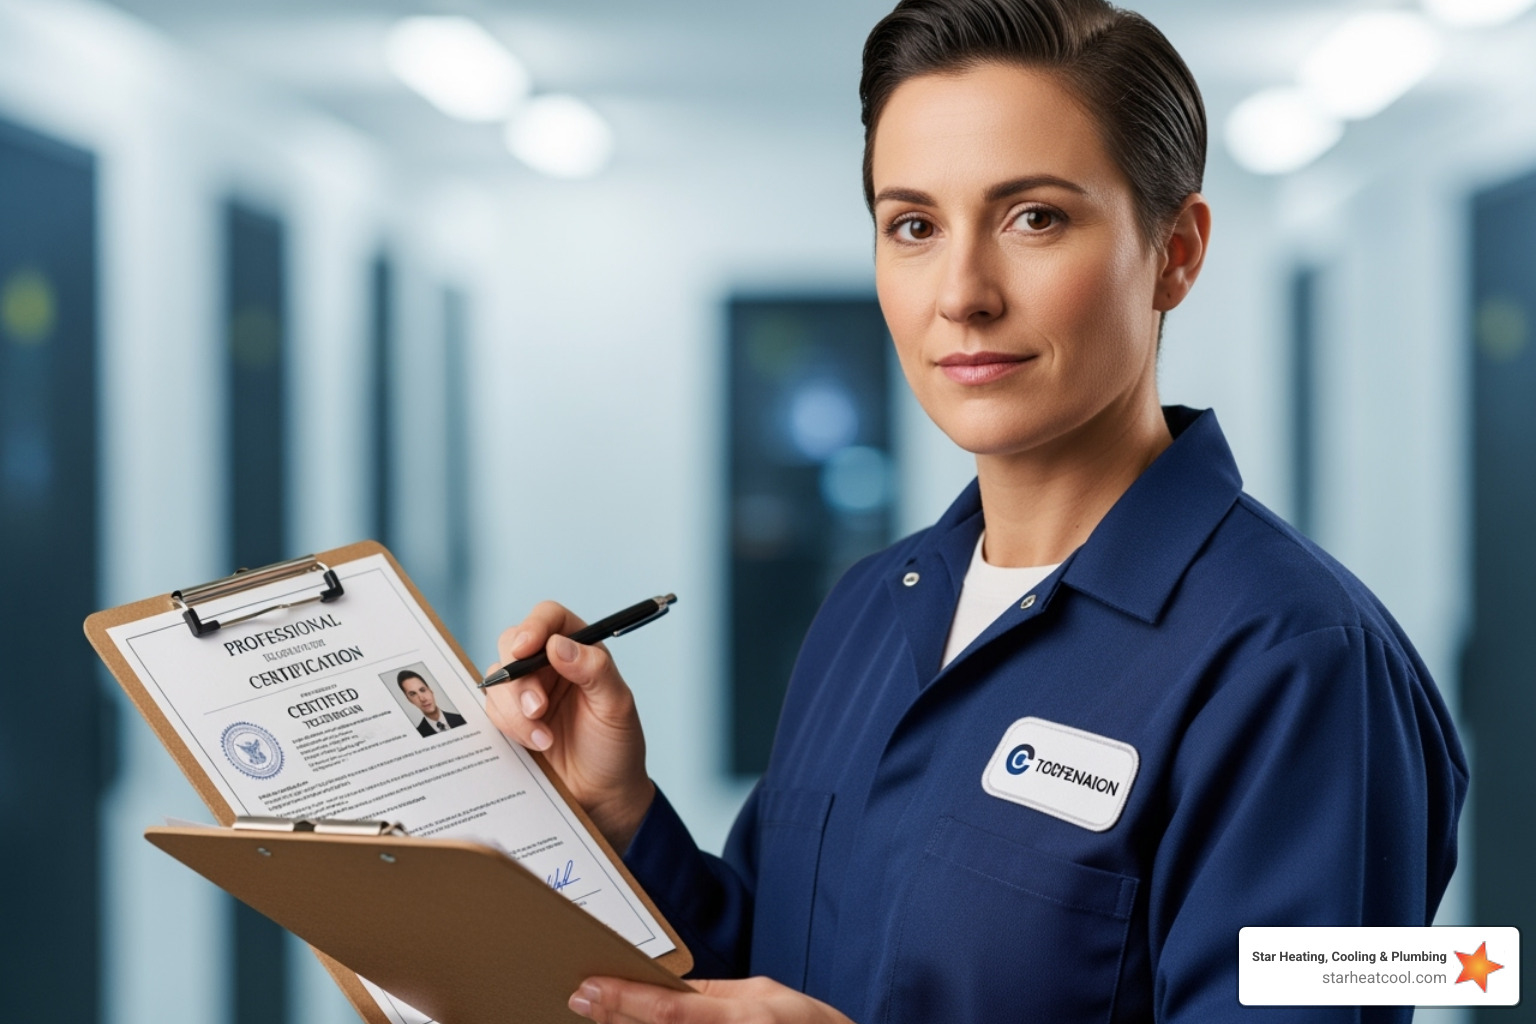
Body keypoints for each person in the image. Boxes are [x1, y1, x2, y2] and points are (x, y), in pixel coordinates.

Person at [484, 1, 1468, 1021]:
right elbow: (784, 969)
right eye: (914, 225)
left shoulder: (1302, 661)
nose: (962, 293)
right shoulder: (869, 608)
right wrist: (621, 816)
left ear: (1176, 250)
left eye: (1034, 217)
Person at [397, 669, 466, 738]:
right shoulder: (417, 735)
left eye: (422, 690)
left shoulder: (462, 718)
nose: (422, 699)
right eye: (413, 694)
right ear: (409, 700)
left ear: (430, 691)